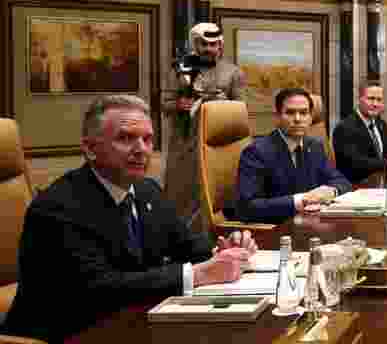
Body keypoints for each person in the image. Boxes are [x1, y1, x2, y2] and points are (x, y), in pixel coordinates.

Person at [3, 95, 256, 343]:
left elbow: (186, 245)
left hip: (131, 322)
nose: (141, 149)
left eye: (148, 139)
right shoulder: (57, 207)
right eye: (125, 139)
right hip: (65, 332)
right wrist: (197, 275)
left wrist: (222, 250)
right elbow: (101, 287)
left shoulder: (148, 190)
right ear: (90, 149)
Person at [163, 22, 245, 231]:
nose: (209, 49)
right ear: (195, 45)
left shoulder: (233, 72)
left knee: (216, 189)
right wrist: (179, 104)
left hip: (219, 143)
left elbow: (241, 111)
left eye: (213, 44)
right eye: (203, 44)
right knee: (182, 189)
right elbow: (164, 103)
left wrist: (221, 102)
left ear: (220, 46)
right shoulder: (181, 70)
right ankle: (179, 236)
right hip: (185, 141)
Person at [236, 87, 352, 223]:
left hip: (310, 225)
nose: (297, 119)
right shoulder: (257, 152)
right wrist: (301, 200)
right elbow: (248, 208)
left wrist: (331, 191)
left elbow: (343, 182)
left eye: (304, 113)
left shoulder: (314, 146)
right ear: (277, 117)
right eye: (290, 113)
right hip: (277, 230)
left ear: (310, 118)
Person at [332, 80, 387, 183]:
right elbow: (355, 163)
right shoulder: (344, 128)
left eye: (379, 100)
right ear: (359, 99)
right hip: (356, 188)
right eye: (371, 99)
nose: (375, 104)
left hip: (382, 185)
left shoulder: (382, 124)